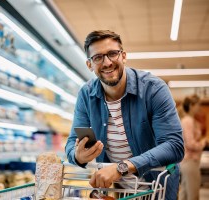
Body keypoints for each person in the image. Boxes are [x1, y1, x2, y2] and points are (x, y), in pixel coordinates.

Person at [65, 30, 184, 200]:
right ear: (89, 65)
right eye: (98, 57)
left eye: (112, 54)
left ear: (123, 56)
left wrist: (122, 167)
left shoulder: (153, 89)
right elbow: (71, 144)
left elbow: (174, 145)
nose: (107, 62)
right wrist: (77, 155)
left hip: (157, 188)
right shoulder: (86, 95)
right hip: (117, 191)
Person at [179, 95, 207, 200]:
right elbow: (190, 144)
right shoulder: (188, 121)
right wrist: (203, 143)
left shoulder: (189, 120)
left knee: (185, 193)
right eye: (198, 104)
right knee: (193, 195)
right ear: (191, 105)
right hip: (190, 161)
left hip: (187, 162)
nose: (199, 107)